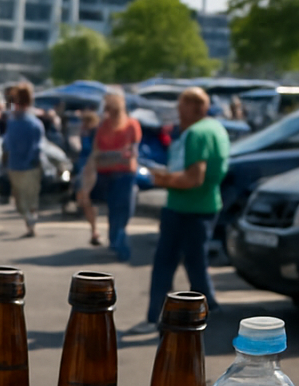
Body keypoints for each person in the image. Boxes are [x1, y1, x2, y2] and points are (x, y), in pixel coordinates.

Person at [133, 86, 230, 332]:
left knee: (166, 262)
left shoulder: (197, 133)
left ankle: (155, 317)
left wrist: (158, 180)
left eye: (180, 107)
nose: (177, 112)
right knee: (196, 263)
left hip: (186, 207)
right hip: (205, 204)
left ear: (191, 107)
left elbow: (193, 178)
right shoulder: (215, 128)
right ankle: (209, 309)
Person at [89, 91, 142, 261]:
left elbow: (129, 152)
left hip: (117, 172)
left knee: (119, 210)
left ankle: (117, 242)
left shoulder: (128, 125)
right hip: (117, 172)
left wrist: (109, 155)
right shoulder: (110, 125)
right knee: (119, 210)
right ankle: (118, 243)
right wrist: (119, 154)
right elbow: (128, 153)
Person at [1, 83, 44, 237]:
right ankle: (31, 221)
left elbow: (8, 145)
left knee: (25, 198)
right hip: (23, 165)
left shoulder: (23, 122)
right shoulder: (28, 122)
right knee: (26, 198)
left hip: (22, 166)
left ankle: (30, 223)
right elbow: (37, 147)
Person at [74, 109, 101, 245]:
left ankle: (94, 230)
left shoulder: (95, 132)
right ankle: (93, 229)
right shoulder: (85, 132)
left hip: (90, 167)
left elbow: (95, 151)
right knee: (85, 199)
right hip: (83, 166)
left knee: (88, 198)